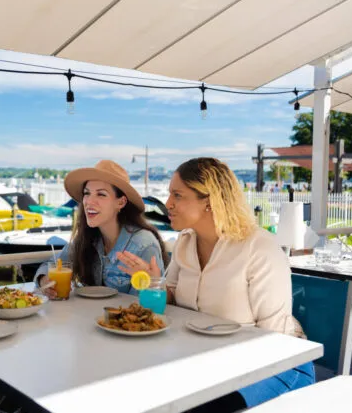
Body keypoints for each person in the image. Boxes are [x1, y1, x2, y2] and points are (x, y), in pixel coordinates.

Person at [117, 157, 313, 412]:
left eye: (177, 195)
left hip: (278, 365)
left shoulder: (259, 248)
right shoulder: (185, 242)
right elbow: (173, 301)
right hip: (207, 361)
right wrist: (154, 282)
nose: (168, 204)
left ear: (209, 201)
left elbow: (273, 337)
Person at [34, 159, 168, 296]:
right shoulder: (88, 237)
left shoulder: (143, 244)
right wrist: (44, 281)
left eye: (101, 194)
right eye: (87, 193)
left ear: (121, 202)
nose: (89, 202)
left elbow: (144, 306)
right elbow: (52, 264)